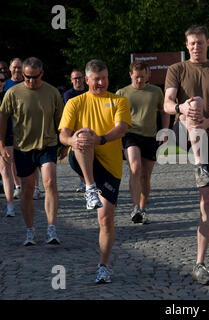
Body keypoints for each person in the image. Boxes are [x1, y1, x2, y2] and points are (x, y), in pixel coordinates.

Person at [164, 25, 209, 285]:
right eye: (191, 43)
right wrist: (182, 107)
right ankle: (200, 165)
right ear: (186, 44)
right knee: (194, 103)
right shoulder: (176, 70)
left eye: (200, 42)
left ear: (207, 43)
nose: (195, 46)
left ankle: (200, 263)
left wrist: (207, 122)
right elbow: (168, 103)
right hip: (184, 132)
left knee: (206, 201)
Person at [59, 59, 131, 284]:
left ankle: (103, 266)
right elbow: (63, 135)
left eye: (104, 78)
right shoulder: (75, 102)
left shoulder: (119, 100)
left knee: (106, 217)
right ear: (87, 80)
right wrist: (73, 140)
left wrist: (99, 139)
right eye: (96, 79)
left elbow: (121, 128)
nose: (101, 83)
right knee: (82, 135)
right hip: (80, 157)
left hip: (110, 166)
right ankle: (89, 186)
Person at [0, 57, 64, 246]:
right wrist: (1, 144)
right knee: (27, 189)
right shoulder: (13, 92)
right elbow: (2, 118)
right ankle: (30, 230)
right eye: (27, 77)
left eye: (34, 77)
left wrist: (65, 143)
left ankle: (51, 228)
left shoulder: (52, 92)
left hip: (48, 144)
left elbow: (60, 120)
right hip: (23, 147)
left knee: (50, 182)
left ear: (41, 74)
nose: (29, 81)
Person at [116, 61, 169, 224]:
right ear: (131, 74)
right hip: (130, 134)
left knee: (145, 176)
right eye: (137, 77)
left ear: (148, 75)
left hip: (150, 136)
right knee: (135, 167)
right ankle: (135, 207)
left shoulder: (156, 91)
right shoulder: (122, 93)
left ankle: (143, 208)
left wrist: (165, 131)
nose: (140, 80)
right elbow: (114, 116)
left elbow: (164, 111)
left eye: (143, 77)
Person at [63, 69, 89, 193]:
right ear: (71, 80)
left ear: (83, 78)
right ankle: (83, 181)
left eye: (79, 77)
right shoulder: (68, 94)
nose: (77, 80)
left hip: (89, 125)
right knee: (77, 156)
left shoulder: (89, 92)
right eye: (75, 78)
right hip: (74, 127)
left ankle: (89, 180)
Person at [3, 58, 24, 199]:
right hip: (10, 126)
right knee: (12, 159)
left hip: (25, 125)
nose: (17, 70)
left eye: (19, 67)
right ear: (10, 68)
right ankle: (18, 186)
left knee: (28, 157)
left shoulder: (27, 83)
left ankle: (35, 187)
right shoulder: (5, 84)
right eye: (14, 67)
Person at [0, 71, 15, 217]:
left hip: (6, 137)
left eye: (2, 80)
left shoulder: (8, 96)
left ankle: (10, 205)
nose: (0, 82)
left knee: (6, 170)